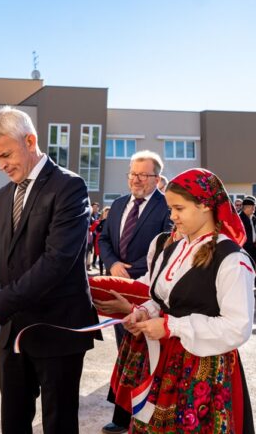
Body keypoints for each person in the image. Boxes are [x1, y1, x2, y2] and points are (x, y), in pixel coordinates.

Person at [0, 107, 99, 434]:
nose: (2, 165)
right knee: (13, 422)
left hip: (58, 329)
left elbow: (56, 263)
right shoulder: (4, 194)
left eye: (6, 154)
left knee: (58, 424)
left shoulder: (69, 187)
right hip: (13, 333)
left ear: (31, 140)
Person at [125, 168, 255, 432]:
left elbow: (237, 327)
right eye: (170, 208)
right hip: (165, 363)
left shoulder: (231, 259)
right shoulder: (172, 247)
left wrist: (173, 327)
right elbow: (163, 298)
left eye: (179, 209)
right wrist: (145, 312)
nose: (172, 216)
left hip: (202, 371)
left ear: (205, 205)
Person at [96, 150, 172, 434]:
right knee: (125, 352)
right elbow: (103, 239)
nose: (136, 179)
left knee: (149, 353)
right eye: (132, 173)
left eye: (143, 174)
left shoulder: (167, 207)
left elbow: (167, 247)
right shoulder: (117, 205)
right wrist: (113, 264)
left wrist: (133, 269)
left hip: (148, 290)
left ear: (157, 178)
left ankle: (148, 414)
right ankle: (122, 414)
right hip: (119, 287)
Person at [238, 196, 256, 291]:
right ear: (246, 207)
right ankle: (243, 289)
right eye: (252, 207)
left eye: (254, 207)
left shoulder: (254, 218)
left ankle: (249, 287)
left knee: (253, 269)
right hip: (244, 248)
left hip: (254, 247)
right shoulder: (239, 218)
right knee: (244, 270)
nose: (254, 209)